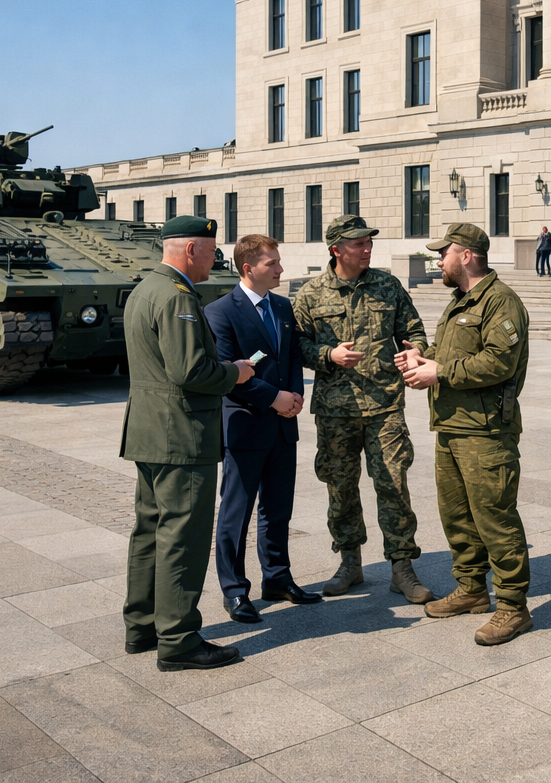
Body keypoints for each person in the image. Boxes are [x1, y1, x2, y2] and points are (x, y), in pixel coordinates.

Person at [121, 215, 256, 672]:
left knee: (149, 533)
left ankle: (142, 626)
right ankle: (178, 639)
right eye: (212, 252)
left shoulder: (145, 288)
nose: (214, 261)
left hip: (148, 432)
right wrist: (235, 373)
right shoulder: (177, 297)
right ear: (192, 250)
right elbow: (191, 372)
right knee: (182, 536)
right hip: (180, 435)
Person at [395, 224, 532, 646]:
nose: (439, 261)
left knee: (495, 518)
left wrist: (440, 372)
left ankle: (512, 606)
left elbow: (497, 363)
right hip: (453, 427)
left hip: (486, 432)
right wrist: (425, 356)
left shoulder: (501, 302)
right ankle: (472, 590)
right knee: (457, 516)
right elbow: (456, 354)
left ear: (466, 256)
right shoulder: (461, 301)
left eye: (444, 254)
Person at [292, 214, 435, 605]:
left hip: (385, 404)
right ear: (337, 249)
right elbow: (296, 347)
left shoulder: (388, 286)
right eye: (358, 243)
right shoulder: (310, 294)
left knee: (393, 483)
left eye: (369, 242)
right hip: (335, 410)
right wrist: (327, 354)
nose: (367, 248)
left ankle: (402, 568)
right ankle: (350, 562)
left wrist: (416, 350)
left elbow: (414, 329)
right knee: (340, 487)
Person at [205, 234, 320, 625]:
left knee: (278, 509)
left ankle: (277, 578)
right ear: (248, 268)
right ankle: (235, 590)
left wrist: (294, 396)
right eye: (272, 263)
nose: (281, 269)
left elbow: (290, 357)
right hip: (246, 425)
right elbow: (227, 370)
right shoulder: (220, 312)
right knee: (237, 511)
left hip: (282, 425)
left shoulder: (283, 307)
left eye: (278, 261)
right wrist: (274, 398)